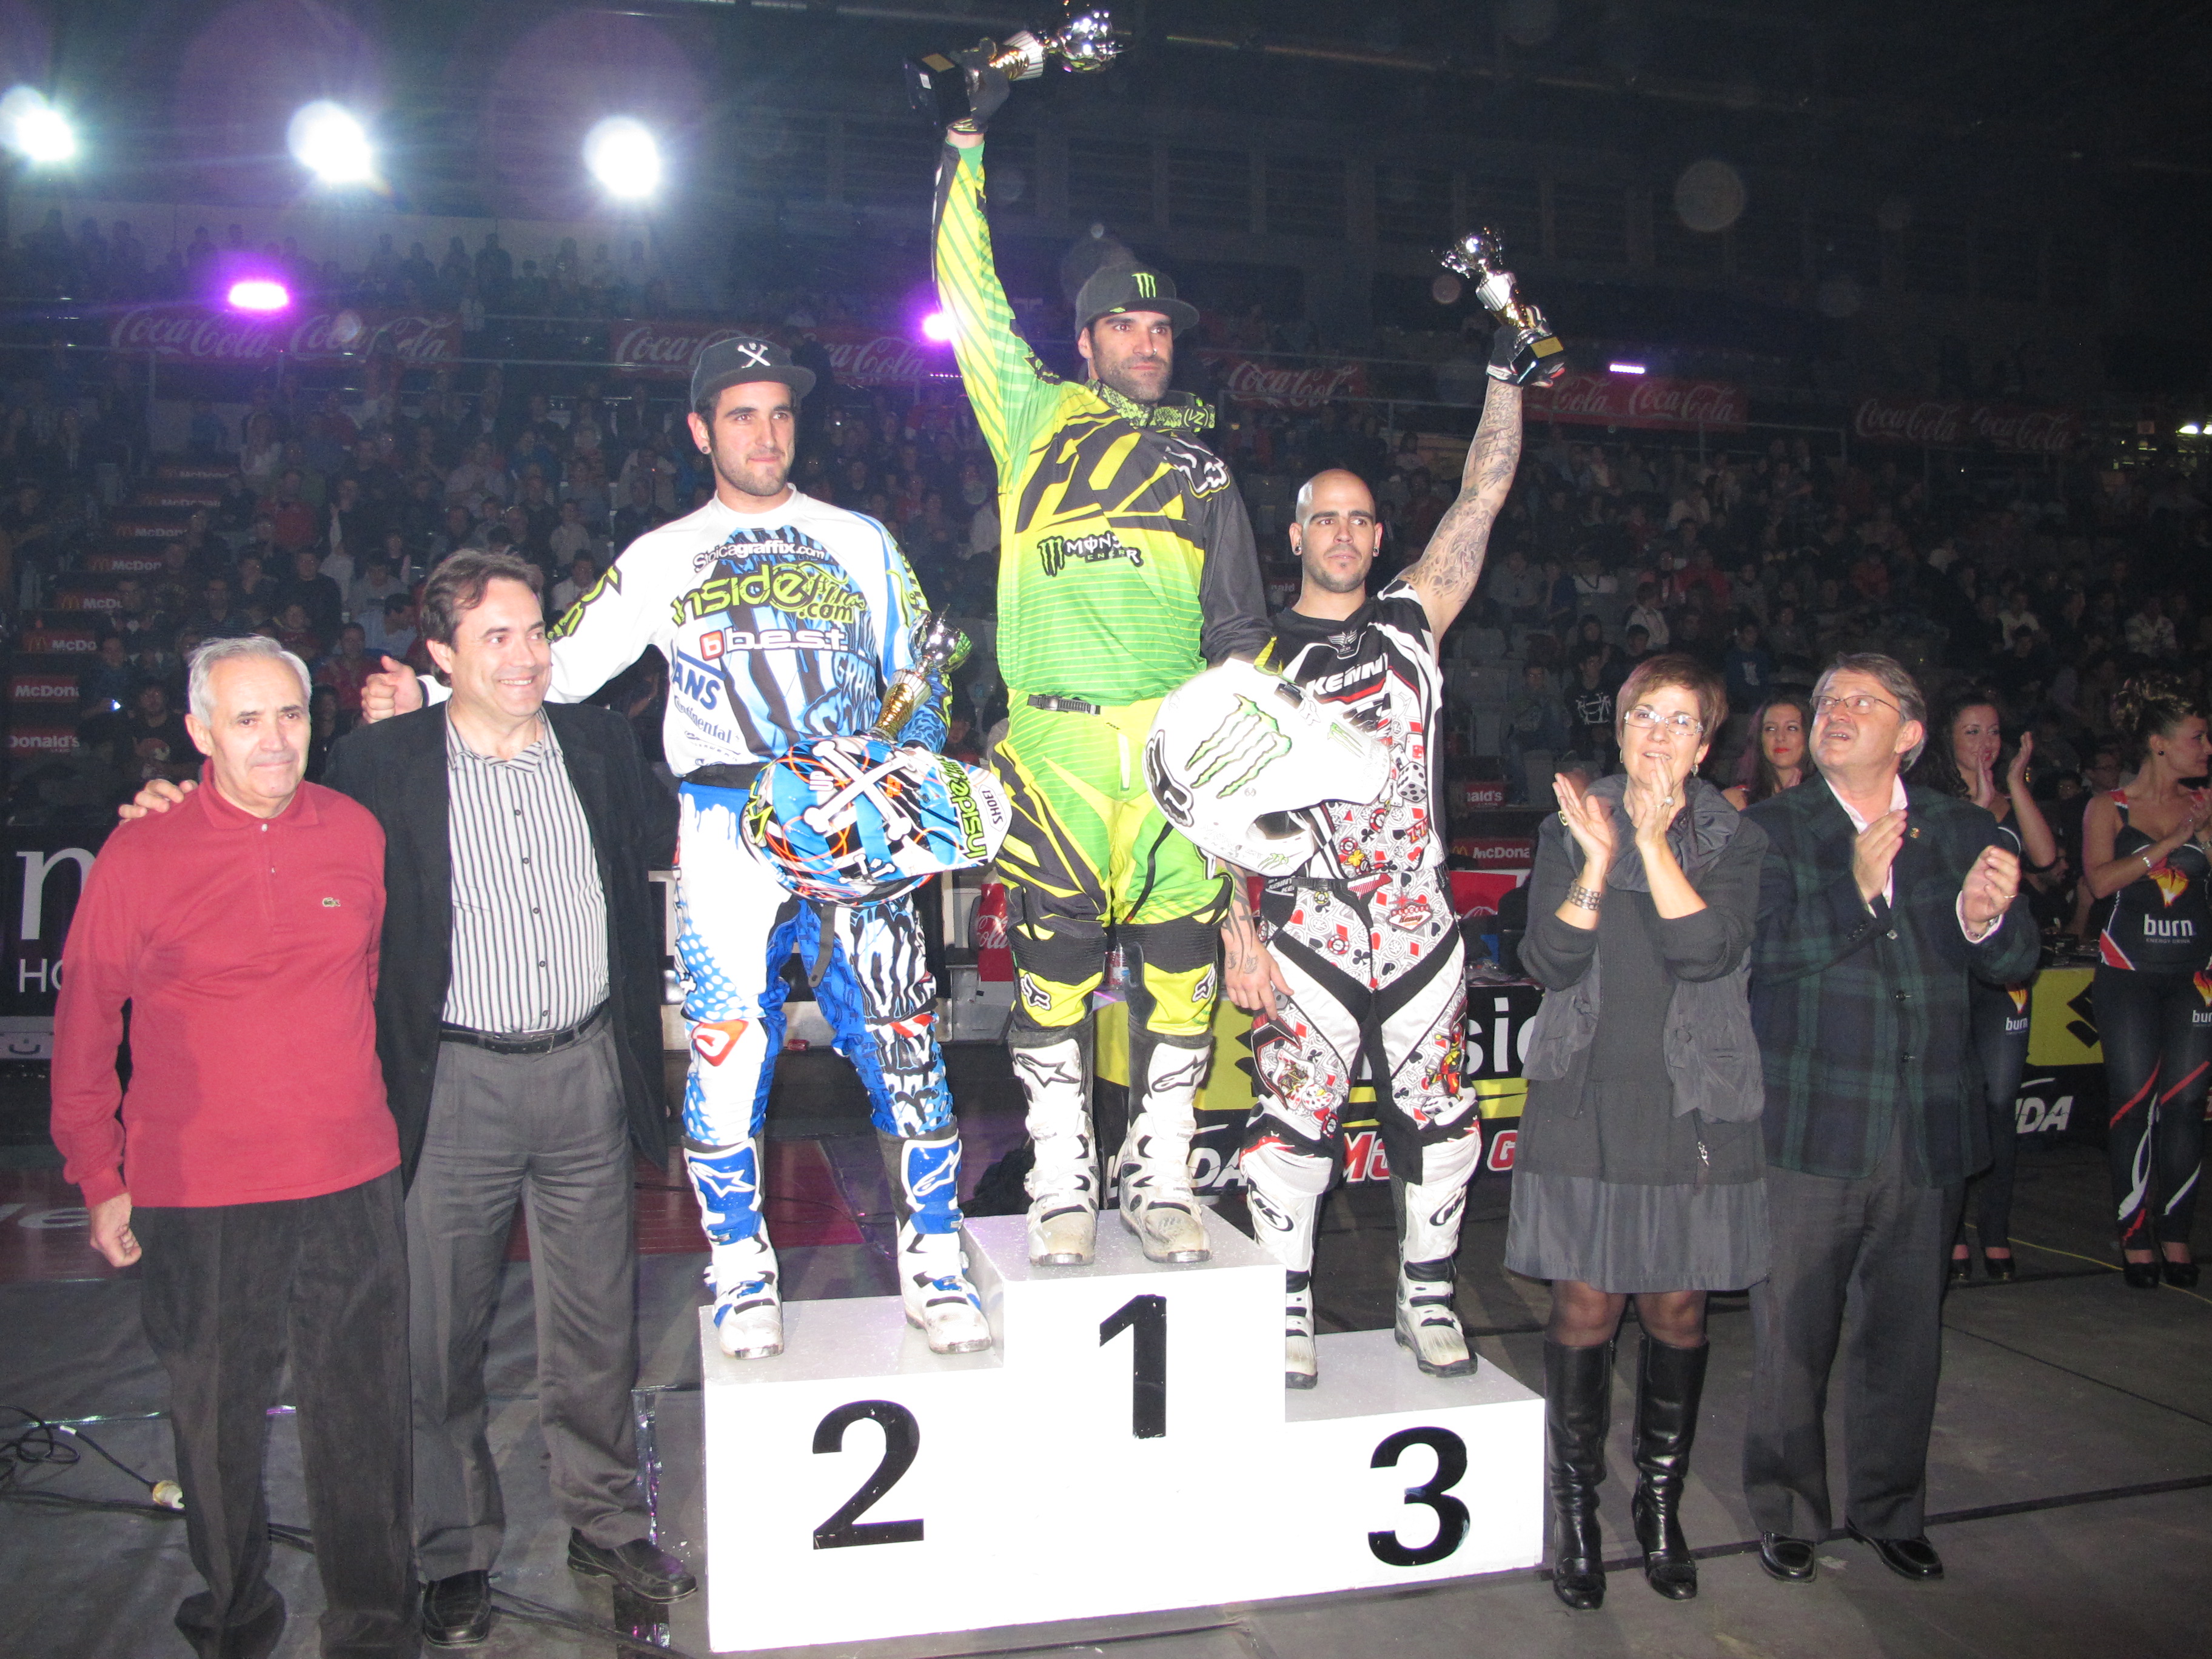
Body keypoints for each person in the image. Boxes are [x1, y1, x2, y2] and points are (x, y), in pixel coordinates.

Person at [363, 340, 990, 1360]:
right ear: (701, 431)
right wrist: (431, 691)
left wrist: (902, 777)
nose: (765, 434)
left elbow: (925, 669)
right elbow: (555, 669)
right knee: (726, 1054)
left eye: (779, 413)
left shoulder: (862, 539)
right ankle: (740, 1270)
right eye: (741, 415)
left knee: (903, 1042)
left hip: (852, 824)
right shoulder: (659, 556)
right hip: (725, 827)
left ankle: (935, 1260)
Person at [125, 554, 694, 1643]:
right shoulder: (379, 763)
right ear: (440, 654)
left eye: (535, 633)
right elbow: (266, 810)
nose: (527, 657)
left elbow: (669, 847)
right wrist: (169, 803)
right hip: (452, 1083)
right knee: (435, 1341)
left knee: (596, 1329)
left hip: (586, 1072)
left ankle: (607, 1522)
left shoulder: (600, 745)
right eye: (497, 638)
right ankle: (452, 1549)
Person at [934, 90, 1269, 1267]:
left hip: (1174, 766)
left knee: (1182, 989)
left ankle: (1162, 1177)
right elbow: (966, 293)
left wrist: (1231, 795)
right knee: (1053, 987)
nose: (1148, 341)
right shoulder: (1030, 415)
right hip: (1059, 756)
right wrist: (965, 145)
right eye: (1125, 326)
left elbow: (1241, 640)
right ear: (1083, 342)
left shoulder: (1206, 470)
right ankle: (1060, 1181)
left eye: (1161, 328)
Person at [55, 637, 415, 1658]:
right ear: (200, 732)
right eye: (246, 719)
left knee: (363, 1415)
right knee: (213, 1421)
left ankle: (374, 1626)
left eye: (290, 715)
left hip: (350, 1176)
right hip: (197, 1188)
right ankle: (235, 1615)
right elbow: (86, 1023)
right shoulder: (141, 853)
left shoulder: (356, 831)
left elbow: (374, 982)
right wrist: (98, 1174)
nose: (274, 740)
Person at [1224, 346, 1523, 1390]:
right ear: (1295, 534)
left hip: (1418, 924)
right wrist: (1239, 935)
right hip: (1306, 924)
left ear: (1378, 536)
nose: (1343, 534)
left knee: (1444, 1120)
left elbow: (1480, 499)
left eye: (1360, 519)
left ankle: (1425, 1294)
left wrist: (1505, 376)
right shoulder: (1253, 660)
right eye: (1325, 519)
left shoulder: (1411, 618)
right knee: (1291, 1124)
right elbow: (1217, 815)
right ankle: (1285, 1305)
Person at [1742, 654, 2034, 1587]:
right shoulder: (1773, 829)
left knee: (1906, 1337)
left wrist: (1987, 920)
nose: (1834, 711)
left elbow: (2013, 959)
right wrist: (1856, 893)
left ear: (1909, 732)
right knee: (1792, 1336)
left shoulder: (1962, 827)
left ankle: (1890, 1510)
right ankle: (1788, 1512)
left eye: (1861, 702)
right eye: (1826, 699)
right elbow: (1755, 957)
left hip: (1925, 1125)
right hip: (1809, 1127)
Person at [1511, 654, 1769, 1610]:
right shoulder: (1568, 827)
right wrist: (1597, 861)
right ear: (1618, 730)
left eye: (1680, 720)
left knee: (1677, 1312)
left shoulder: (1735, 838)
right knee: (1585, 1309)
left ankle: (1658, 1507)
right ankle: (1577, 1514)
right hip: (1584, 1099)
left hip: (1689, 1104)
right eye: (1642, 716)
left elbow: (1706, 953)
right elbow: (1549, 959)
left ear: (1705, 746)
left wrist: (1655, 844)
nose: (1658, 734)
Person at [1909, 693, 2060, 1283]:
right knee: (1951, 1096)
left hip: (2005, 970)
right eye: (1972, 731)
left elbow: (2045, 857)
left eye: (1993, 731)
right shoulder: (1932, 804)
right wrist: (1975, 799)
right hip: (1949, 969)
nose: (1985, 743)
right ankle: (1950, 1234)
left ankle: (1995, 1229)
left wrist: (2013, 785)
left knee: (2000, 1099)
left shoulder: (2008, 799)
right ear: (1947, 737)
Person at [2079, 674, 2211, 1289]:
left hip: (2195, 975)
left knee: (2186, 1103)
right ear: (2160, 743)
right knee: (2133, 1102)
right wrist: (2175, 841)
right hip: (2128, 973)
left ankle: (2176, 1232)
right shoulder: (2110, 806)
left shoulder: (2205, 803)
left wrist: (2203, 835)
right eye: (2197, 737)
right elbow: (2100, 881)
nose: (2206, 748)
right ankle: (2134, 1236)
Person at [1724, 693, 1811, 811]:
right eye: (1771, 729)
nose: (1780, 737)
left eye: (1792, 728)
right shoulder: (1735, 800)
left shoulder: (1827, 801)